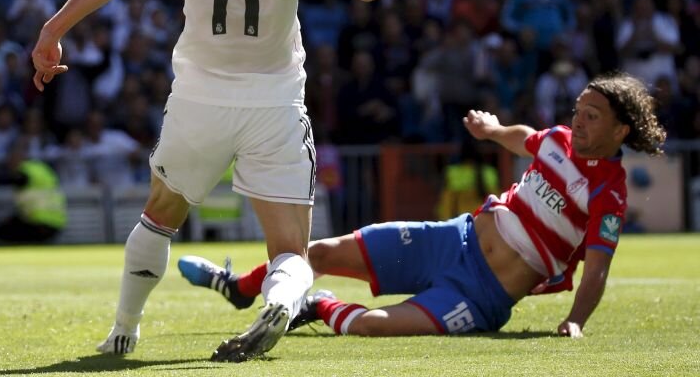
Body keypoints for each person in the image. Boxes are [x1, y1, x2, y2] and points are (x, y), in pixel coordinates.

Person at [31, 0, 411, 360]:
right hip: (275, 104)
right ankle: (279, 301)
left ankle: (124, 329)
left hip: (198, 102)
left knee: (158, 217)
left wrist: (52, 31)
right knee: (289, 252)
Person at [179, 73, 666, 339]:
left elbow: (597, 271)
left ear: (621, 131)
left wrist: (575, 321)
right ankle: (241, 287)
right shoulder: (559, 140)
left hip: (479, 297)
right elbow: (528, 140)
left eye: (592, 116)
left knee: (370, 326)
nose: (577, 123)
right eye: (578, 111)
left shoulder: (610, 194)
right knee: (321, 252)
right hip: (452, 239)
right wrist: (494, 131)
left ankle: (314, 305)